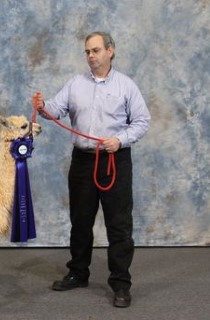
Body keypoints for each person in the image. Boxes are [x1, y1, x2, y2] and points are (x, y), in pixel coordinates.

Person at [33, 31, 150, 308]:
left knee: (119, 225)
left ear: (111, 51)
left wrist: (119, 139)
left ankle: (121, 284)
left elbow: (142, 121)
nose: (91, 56)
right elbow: (55, 110)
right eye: (87, 51)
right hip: (83, 161)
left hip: (114, 160)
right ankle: (77, 273)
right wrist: (42, 106)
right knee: (80, 221)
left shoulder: (126, 86)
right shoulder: (75, 84)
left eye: (96, 50)